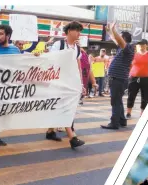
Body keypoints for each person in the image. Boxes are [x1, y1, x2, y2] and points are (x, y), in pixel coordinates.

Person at [44, 21, 86, 149]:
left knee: (63, 106)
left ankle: (50, 131)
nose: (79, 33)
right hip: (58, 81)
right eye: (77, 30)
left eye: (80, 31)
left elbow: (78, 66)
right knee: (64, 107)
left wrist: (81, 83)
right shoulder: (59, 44)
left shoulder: (77, 48)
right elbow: (51, 60)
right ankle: (72, 137)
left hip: (71, 82)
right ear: (69, 31)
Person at [100, 22, 135, 130]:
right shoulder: (122, 48)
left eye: (120, 36)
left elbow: (119, 40)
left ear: (123, 38)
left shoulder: (128, 47)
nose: (118, 38)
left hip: (118, 79)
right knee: (118, 100)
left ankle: (114, 123)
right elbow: (116, 39)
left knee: (115, 101)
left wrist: (114, 30)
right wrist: (109, 31)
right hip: (117, 78)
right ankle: (122, 120)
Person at [126, 39, 148, 118]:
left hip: (146, 78)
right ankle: (128, 112)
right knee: (131, 95)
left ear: (146, 45)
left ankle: (142, 113)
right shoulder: (134, 55)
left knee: (145, 96)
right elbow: (129, 65)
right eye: (139, 45)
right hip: (134, 78)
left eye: (143, 44)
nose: (141, 46)